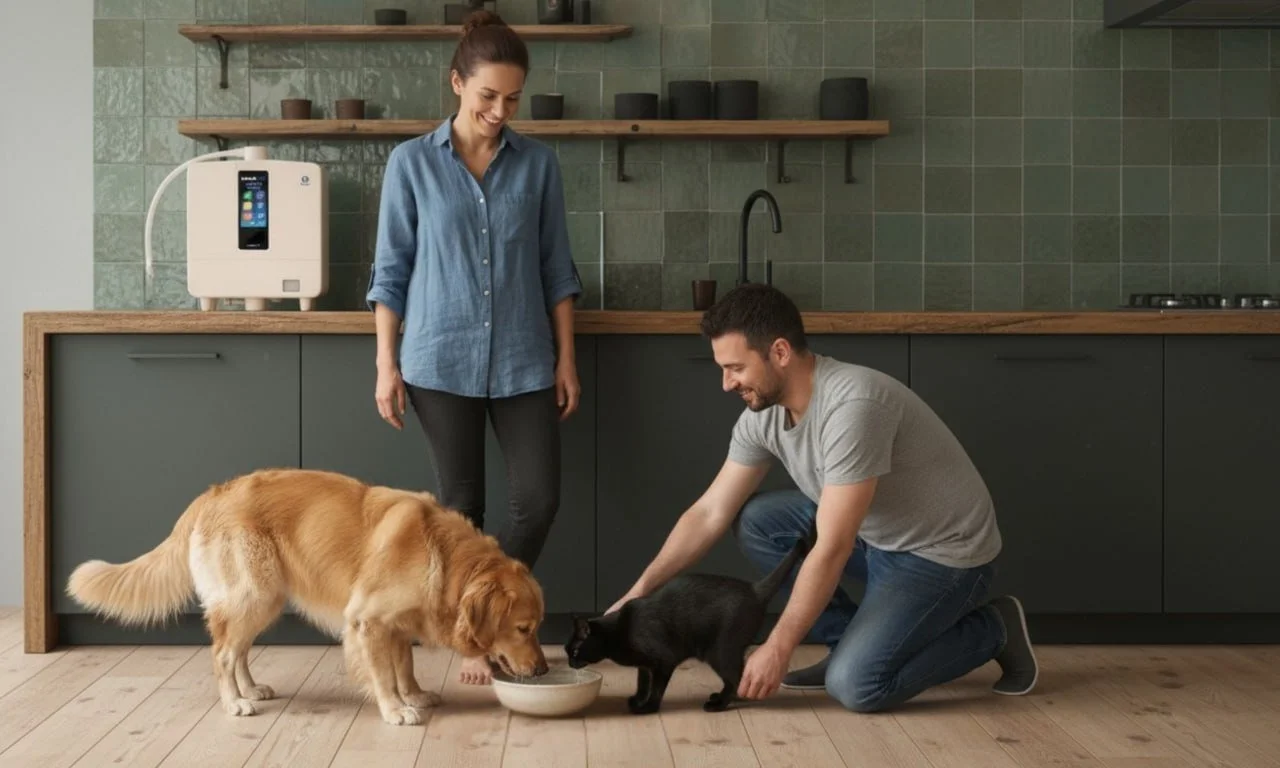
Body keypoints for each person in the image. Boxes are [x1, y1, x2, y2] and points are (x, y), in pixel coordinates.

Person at [605, 283, 1038, 712]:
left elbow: (832, 547)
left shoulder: (852, 406)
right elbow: (709, 511)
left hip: (940, 554)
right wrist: (639, 593)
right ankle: (848, 640)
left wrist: (778, 645)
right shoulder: (765, 413)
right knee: (757, 520)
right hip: (876, 533)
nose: (726, 383)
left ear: (779, 352)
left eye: (735, 367)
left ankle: (994, 629)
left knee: (857, 685)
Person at [366, 10, 582, 686]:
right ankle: (479, 639)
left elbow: (557, 269)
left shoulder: (538, 165)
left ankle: (485, 625)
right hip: (438, 357)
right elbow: (390, 271)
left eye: (512, 99)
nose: (499, 110)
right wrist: (385, 362)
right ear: (456, 83)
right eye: (487, 95)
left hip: (524, 358)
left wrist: (566, 358)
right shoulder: (411, 164)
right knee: (460, 510)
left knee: (538, 499)